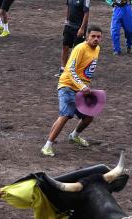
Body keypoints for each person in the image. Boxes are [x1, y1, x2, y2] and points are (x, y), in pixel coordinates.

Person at [41, 25, 102, 157]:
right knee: (66, 115)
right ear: (87, 36)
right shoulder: (80, 48)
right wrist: (82, 86)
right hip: (67, 86)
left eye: (98, 37)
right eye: (93, 36)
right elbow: (70, 70)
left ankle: (74, 136)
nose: (96, 39)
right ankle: (47, 146)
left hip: (81, 89)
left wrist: (84, 87)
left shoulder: (97, 49)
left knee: (89, 116)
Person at [56, 0, 90, 77]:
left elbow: (86, 13)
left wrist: (82, 28)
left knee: (77, 50)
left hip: (78, 27)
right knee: (65, 47)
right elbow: (69, 7)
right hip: (69, 26)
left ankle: (75, 71)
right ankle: (63, 69)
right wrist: (66, 21)